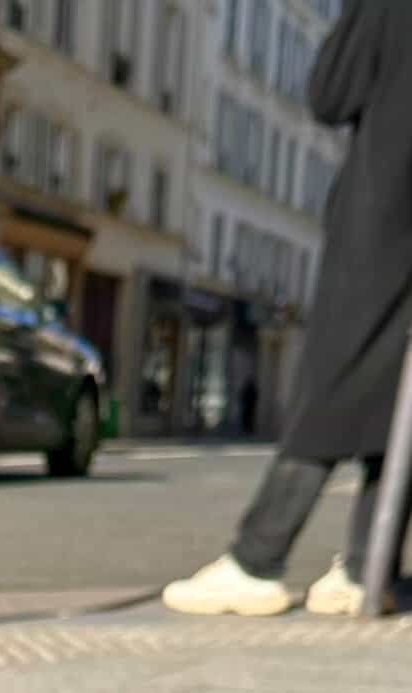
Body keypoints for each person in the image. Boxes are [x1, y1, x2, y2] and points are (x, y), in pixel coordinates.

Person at [165, 0, 412, 617]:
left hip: (384, 210)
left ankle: (258, 558)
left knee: (335, 373)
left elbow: (331, 92)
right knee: (399, 390)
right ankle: (367, 563)